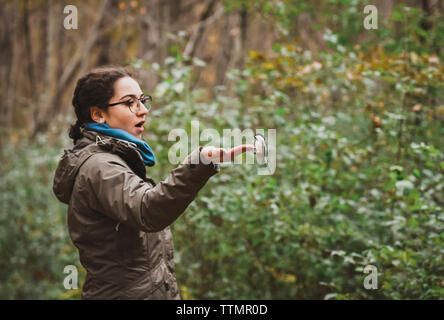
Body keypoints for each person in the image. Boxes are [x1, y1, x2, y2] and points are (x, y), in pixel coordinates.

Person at [52, 66, 252, 300]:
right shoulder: (99, 167)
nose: (143, 110)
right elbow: (148, 210)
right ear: (98, 115)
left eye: (142, 100)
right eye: (130, 103)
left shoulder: (114, 160)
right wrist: (199, 163)